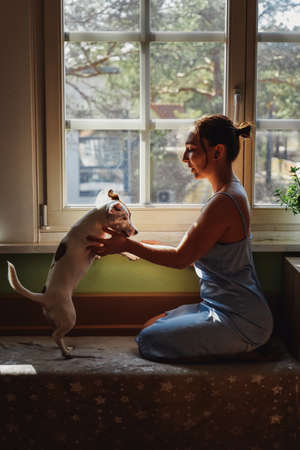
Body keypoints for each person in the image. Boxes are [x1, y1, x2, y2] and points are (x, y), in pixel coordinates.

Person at [88, 114, 274, 363]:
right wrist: (131, 246)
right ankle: (233, 345)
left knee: (148, 339)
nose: (184, 158)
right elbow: (188, 252)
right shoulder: (228, 192)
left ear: (218, 151)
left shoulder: (224, 201)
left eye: (191, 150)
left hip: (240, 319)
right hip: (220, 307)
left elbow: (180, 259)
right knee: (150, 325)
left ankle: (241, 345)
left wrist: (125, 245)